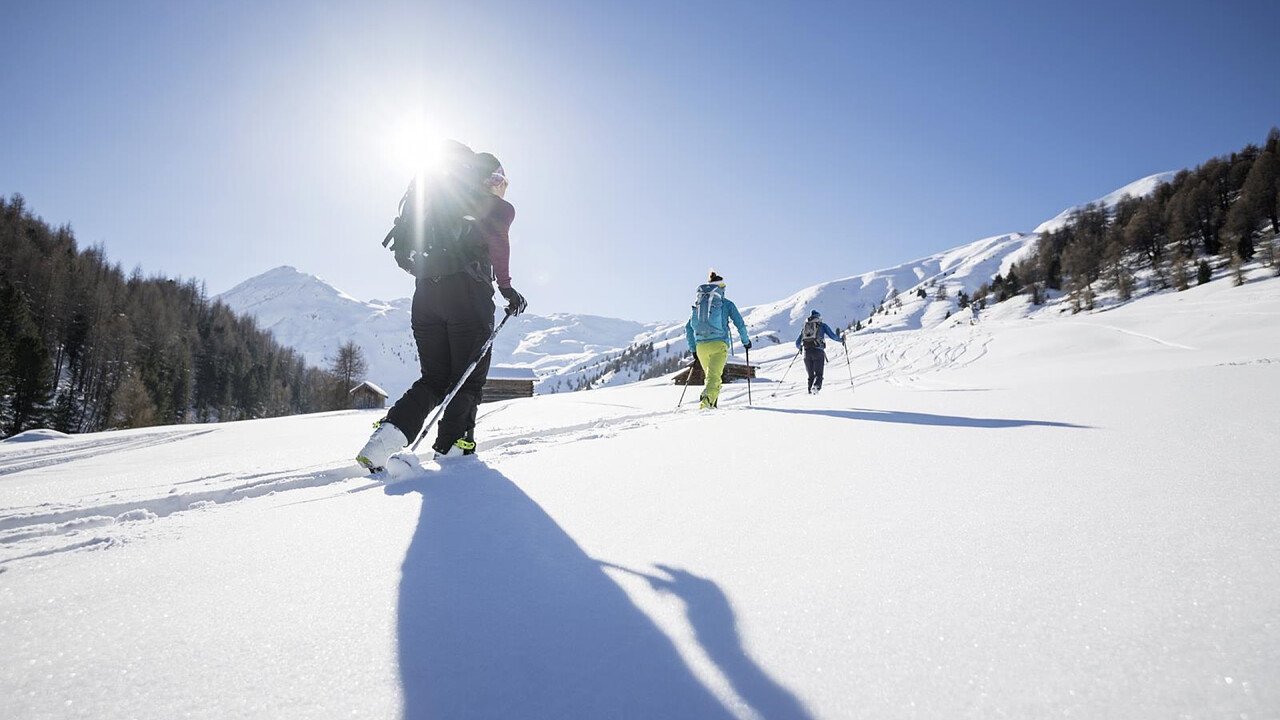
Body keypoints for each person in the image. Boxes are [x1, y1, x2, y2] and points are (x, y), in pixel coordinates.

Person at [357, 142, 527, 471]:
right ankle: (454, 450)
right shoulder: (496, 209)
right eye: (499, 180)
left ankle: (383, 441)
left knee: (434, 379)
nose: (502, 187)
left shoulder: (437, 205)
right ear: (486, 179)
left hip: (425, 297)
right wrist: (507, 289)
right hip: (467, 298)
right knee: (468, 379)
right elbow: (499, 246)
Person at [684, 271, 751, 409]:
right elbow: (740, 324)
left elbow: (688, 327)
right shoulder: (727, 304)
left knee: (710, 377)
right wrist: (746, 341)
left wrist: (693, 349)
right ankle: (706, 403)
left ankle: (712, 406)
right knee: (714, 377)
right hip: (719, 344)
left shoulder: (699, 304)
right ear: (721, 288)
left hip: (701, 345)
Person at [795, 310, 842, 394]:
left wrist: (801, 349)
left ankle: (810, 394)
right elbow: (833, 336)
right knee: (818, 374)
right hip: (818, 351)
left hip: (806, 353)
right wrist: (841, 340)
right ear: (819, 317)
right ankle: (816, 388)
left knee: (810, 376)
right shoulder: (822, 325)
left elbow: (797, 343)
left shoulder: (805, 327)